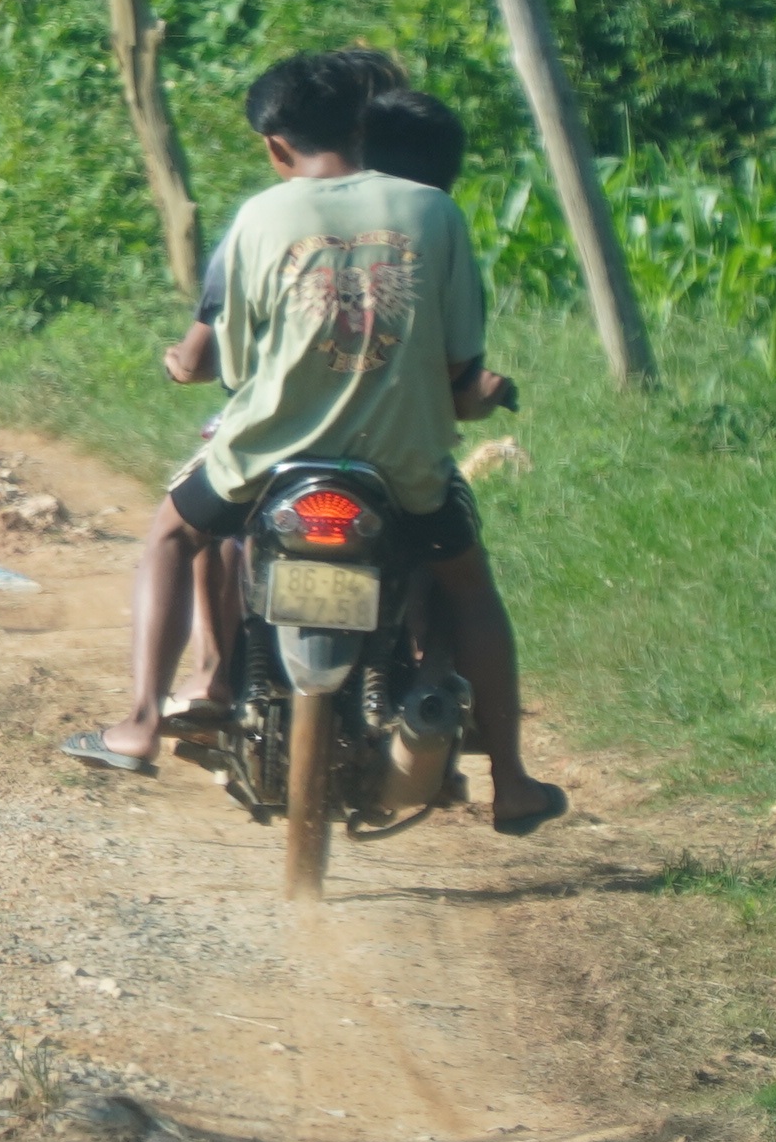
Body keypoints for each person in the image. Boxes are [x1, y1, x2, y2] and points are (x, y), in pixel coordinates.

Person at [67, 52, 565, 831]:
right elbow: (461, 362)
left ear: (274, 143)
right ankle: (512, 780)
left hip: (266, 462)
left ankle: (137, 725)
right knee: (469, 587)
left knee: (171, 536)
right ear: (367, 125)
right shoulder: (435, 211)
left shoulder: (260, 217)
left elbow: (229, 366)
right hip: (403, 467)